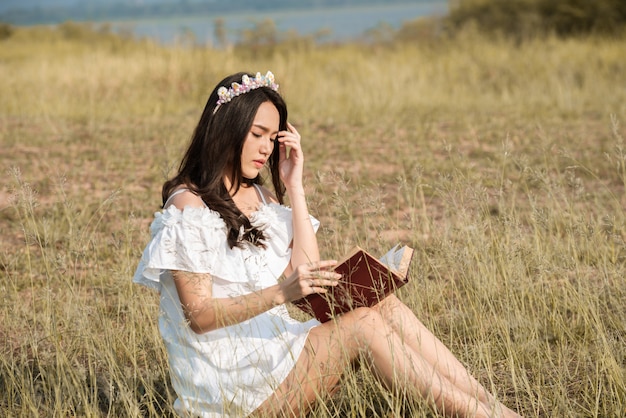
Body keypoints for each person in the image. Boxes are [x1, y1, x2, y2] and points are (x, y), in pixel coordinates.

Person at [133, 71, 521, 417]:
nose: (267, 148)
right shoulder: (189, 205)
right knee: (363, 326)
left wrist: (295, 186)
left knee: (380, 303)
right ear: (226, 131)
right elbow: (198, 316)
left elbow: (304, 273)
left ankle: (493, 408)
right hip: (231, 387)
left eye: (273, 137)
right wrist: (282, 292)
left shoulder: (263, 198)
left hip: (275, 356)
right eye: (256, 135)